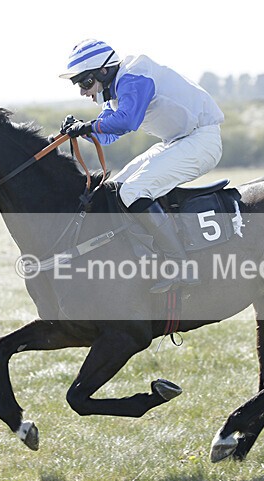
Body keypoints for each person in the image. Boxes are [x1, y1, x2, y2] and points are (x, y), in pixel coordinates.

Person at [59, 39, 225, 293]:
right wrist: (81, 129)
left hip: (202, 140)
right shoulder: (114, 92)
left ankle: (181, 266)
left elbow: (127, 121)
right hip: (179, 141)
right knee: (115, 189)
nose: (83, 92)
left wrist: (88, 126)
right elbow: (108, 135)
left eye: (85, 83)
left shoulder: (134, 76)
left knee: (132, 191)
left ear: (104, 71)